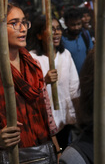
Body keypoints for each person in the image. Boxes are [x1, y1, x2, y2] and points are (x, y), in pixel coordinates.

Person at [0, 3, 60, 162]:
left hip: (42, 150)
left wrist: (57, 147)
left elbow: (46, 111)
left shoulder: (33, 65)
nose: (23, 28)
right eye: (14, 23)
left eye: (24, 22)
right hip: (11, 153)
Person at [27, 15, 80, 150]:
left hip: (65, 117)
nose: (56, 32)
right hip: (44, 120)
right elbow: (28, 92)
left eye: (58, 28)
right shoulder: (32, 59)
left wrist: (79, 114)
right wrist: (44, 81)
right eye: (51, 29)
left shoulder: (65, 55)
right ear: (39, 35)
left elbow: (74, 88)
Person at [62, 7, 94, 74]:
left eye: (78, 24)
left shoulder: (85, 34)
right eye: (73, 25)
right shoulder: (62, 39)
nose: (76, 27)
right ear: (66, 23)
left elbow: (91, 53)